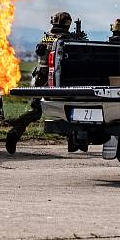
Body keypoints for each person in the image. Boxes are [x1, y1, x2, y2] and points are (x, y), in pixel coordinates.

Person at [5, 12, 76, 154]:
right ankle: (73, 141)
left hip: (39, 77)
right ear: (67, 24)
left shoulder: (46, 36)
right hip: (56, 78)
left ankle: (15, 132)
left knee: (35, 110)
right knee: (68, 108)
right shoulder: (66, 38)